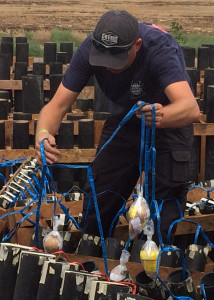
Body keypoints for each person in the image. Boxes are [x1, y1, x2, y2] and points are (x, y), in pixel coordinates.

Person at [35, 10, 200, 244]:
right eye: (104, 59)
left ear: (137, 45)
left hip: (168, 123)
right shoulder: (87, 51)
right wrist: (42, 134)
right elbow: (57, 105)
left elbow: (190, 108)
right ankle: (95, 259)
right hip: (125, 120)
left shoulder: (159, 48)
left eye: (117, 59)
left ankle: (152, 272)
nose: (110, 67)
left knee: (161, 215)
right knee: (99, 197)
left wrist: (162, 114)